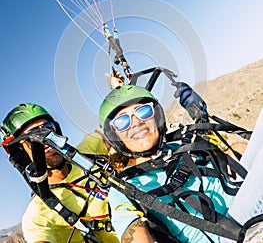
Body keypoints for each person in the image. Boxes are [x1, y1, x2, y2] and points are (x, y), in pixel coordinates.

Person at [99, 84, 263, 243]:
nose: (136, 122)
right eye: (122, 122)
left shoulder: (180, 147)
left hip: (242, 199)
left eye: (143, 111)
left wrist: (199, 113)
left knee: (243, 142)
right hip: (229, 234)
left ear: (156, 118)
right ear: (116, 138)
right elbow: (135, 235)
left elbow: (218, 158)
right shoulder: (125, 188)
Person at [0, 103, 119, 243]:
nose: (46, 141)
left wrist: (118, 88)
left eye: (48, 129)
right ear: (21, 154)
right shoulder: (37, 216)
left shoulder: (85, 155)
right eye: (33, 139)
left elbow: (113, 124)